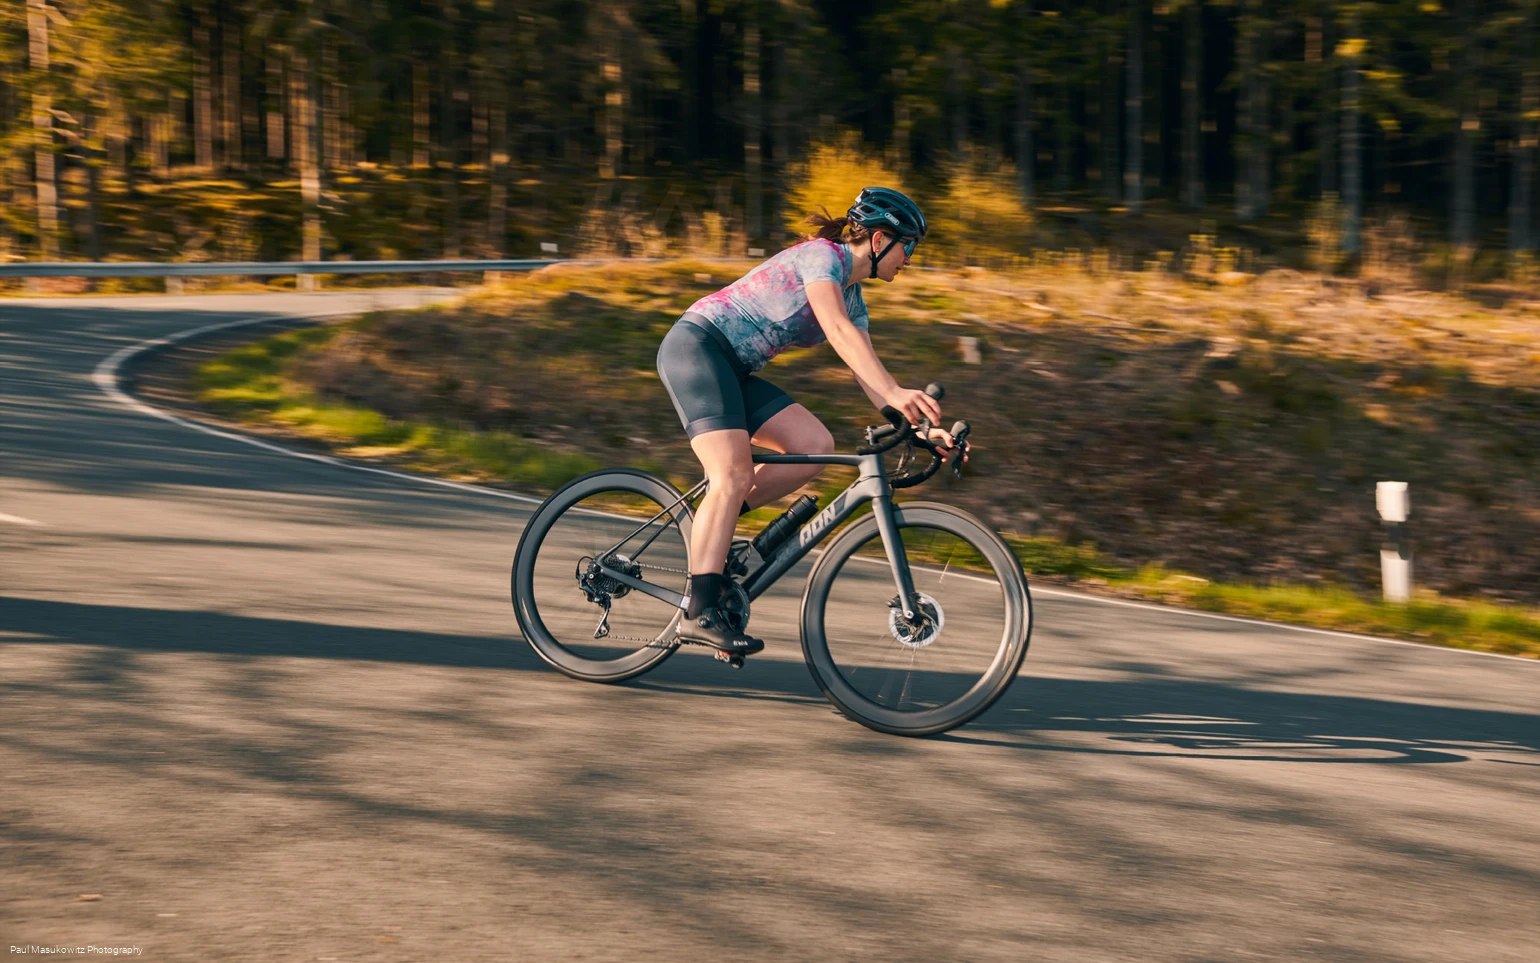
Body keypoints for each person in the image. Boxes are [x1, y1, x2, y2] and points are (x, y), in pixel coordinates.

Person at [655, 186, 965, 656]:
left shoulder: (854, 295)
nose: (911, 259)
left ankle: (711, 539)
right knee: (732, 474)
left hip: (733, 370)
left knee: (812, 443)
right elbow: (837, 331)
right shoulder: (822, 258)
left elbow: (870, 375)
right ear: (880, 241)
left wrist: (920, 428)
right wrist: (901, 394)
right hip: (697, 348)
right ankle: (698, 612)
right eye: (909, 247)